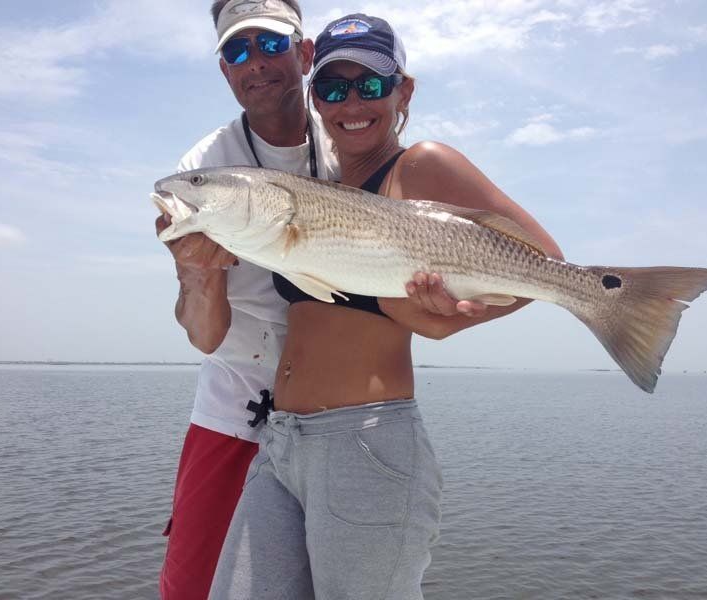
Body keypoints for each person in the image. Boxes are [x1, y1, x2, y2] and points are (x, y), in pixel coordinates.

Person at [208, 13, 565, 600]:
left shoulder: (422, 163)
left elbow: (546, 264)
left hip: (365, 442)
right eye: (332, 88)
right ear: (315, 98)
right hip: (282, 441)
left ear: (404, 91)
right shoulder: (326, 192)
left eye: (371, 84)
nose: (352, 102)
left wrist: (458, 318)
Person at [154, 1, 340, 598]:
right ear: (224, 71)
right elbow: (205, 335)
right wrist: (199, 272)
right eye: (236, 51)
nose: (254, 63)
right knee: (194, 585)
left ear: (304, 53)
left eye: (270, 44)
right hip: (236, 412)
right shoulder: (203, 170)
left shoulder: (347, 139)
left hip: (338, 413)